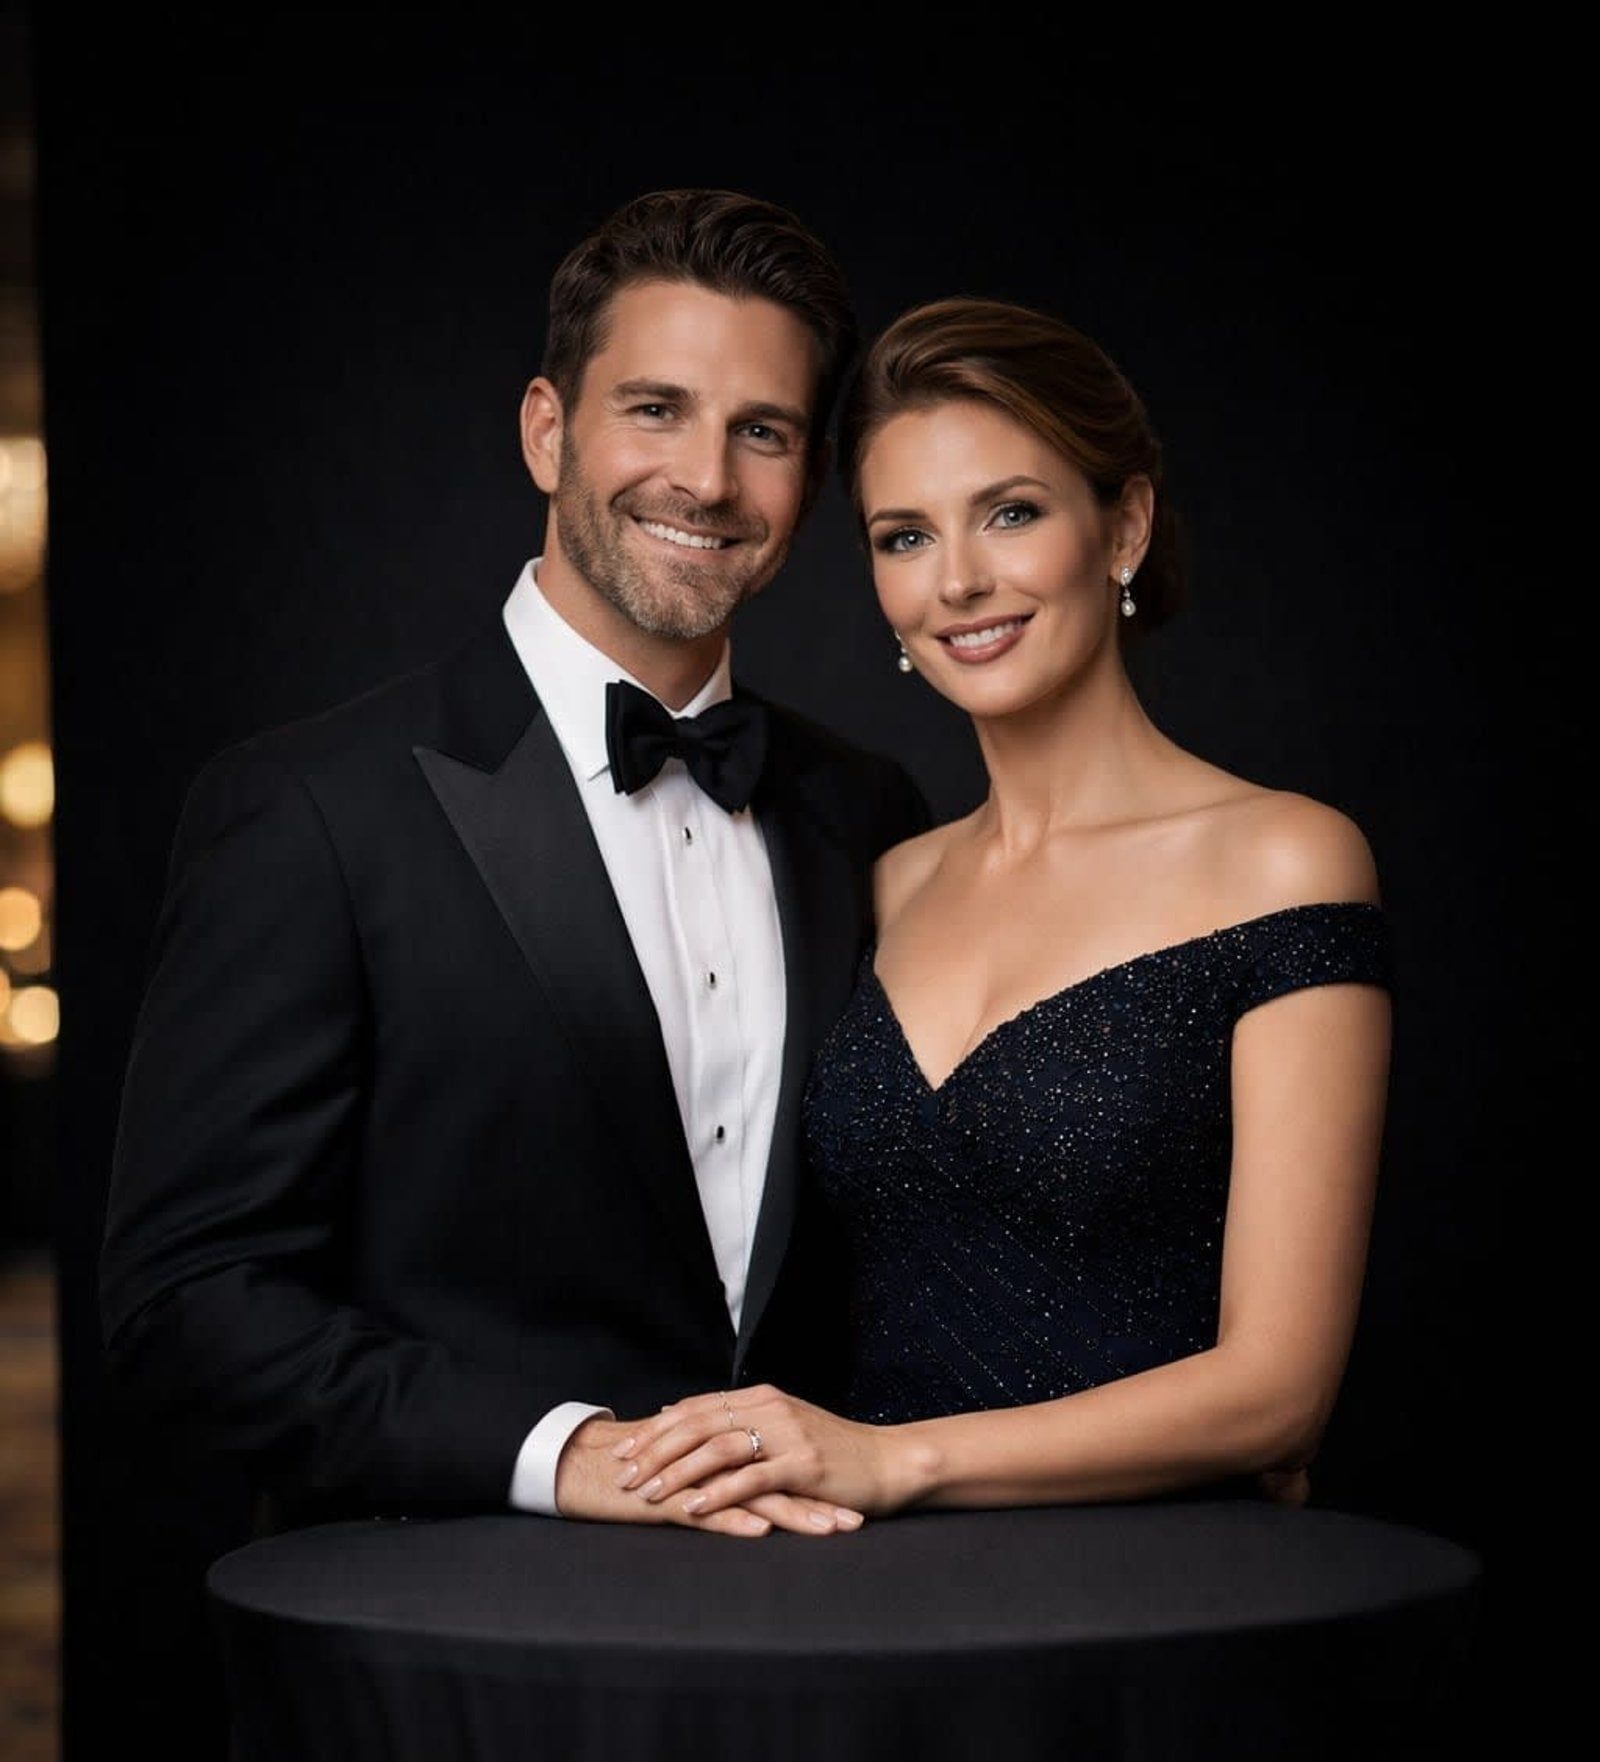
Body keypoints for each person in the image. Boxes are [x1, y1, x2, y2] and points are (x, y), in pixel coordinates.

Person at [98, 189, 928, 1541]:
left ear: (808, 486)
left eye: (761, 431)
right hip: (460, 1637)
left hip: (818, 1626)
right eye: (655, 409)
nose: (708, 481)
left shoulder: (870, 814)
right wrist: (563, 1451)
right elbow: (185, 1300)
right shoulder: (306, 809)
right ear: (548, 430)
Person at [604, 297, 1395, 1521]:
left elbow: (1278, 1392)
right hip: (877, 1587)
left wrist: (897, 1458)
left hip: (1163, 1581)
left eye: (1010, 513)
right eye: (903, 536)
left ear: (1121, 525)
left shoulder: (1285, 860)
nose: (959, 580)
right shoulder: (886, 876)